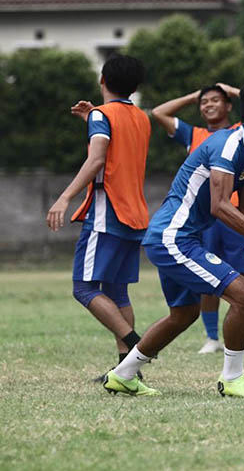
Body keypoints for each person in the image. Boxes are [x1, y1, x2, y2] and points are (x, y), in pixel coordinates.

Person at [102, 80, 244, 397]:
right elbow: (220, 207)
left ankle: (122, 374)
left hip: (178, 237)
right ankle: (233, 379)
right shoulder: (228, 145)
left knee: (184, 314)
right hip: (173, 237)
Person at [151, 83, 244, 354]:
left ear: (230, 106)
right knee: (232, 290)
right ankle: (219, 352)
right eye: (203, 102)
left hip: (231, 222)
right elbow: (158, 113)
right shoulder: (197, 135)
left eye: (215, 100)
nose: (208, 105)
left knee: (241, 285)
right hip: (195, 225)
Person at [47, 54, 149, 381]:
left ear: (102, 80)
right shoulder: (141, 118)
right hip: (135, 213)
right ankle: (127, 369)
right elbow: (120, 147)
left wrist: (64, 197)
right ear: (135, 87)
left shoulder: (101, 116)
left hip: (108, 212)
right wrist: (94, 117)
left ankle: (137, 348)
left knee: (84, 288)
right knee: (117, 292)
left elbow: (97, 161)